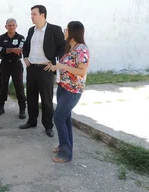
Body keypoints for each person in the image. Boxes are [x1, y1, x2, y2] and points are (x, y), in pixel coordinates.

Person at [19, 5, 65, 138]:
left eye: (34, 14)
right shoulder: (31, 30)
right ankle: (32, 121)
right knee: (31, 97)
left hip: (46, 69)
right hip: (32, 68)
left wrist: (55, 63)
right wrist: (25, 57)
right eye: (31, 14)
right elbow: (26, 46)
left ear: (42, 15)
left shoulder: (54, 30)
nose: (31, 16)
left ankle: (48, 126)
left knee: (46, 99)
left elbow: (62, 48)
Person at [49, 21, 90, 163]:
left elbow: (82, 71)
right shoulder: (71, 49)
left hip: (72, 90)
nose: (64, 32)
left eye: (66, 30)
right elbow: (65, 66)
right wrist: (57, 67)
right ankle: (64, 146)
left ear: (73, 32)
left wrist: (62, 66)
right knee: (64, 118)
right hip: (63, 87)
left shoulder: (81, 49)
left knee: (58, 118)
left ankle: (66, 154)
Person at [0, 18, 27, 119]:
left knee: (19, 86)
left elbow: (20, 50)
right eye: (9, 25)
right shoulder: (0, 38)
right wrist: (12, 49)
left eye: (13, 25)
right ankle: (1, 107)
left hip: (16, 64)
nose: (11, 27)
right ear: (6, 26)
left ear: (16, 26)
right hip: (4, 64)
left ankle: (22, 109)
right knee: (2, 86)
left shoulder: (21, 38)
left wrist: (6, 50)